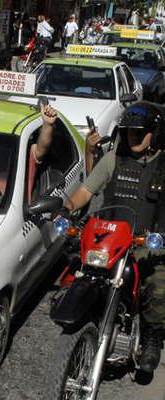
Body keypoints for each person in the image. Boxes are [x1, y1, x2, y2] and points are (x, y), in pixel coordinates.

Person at [63, 102, 165, 373]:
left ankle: (152, 336)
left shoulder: (163, 166)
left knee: (158, 286)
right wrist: (67, 207)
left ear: (155, 133)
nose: (132, 137)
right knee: (76, 270)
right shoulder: (113, 158)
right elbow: (86, 191)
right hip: (109, 240)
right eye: (129, 132)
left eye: (139, 132)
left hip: (146, 244)